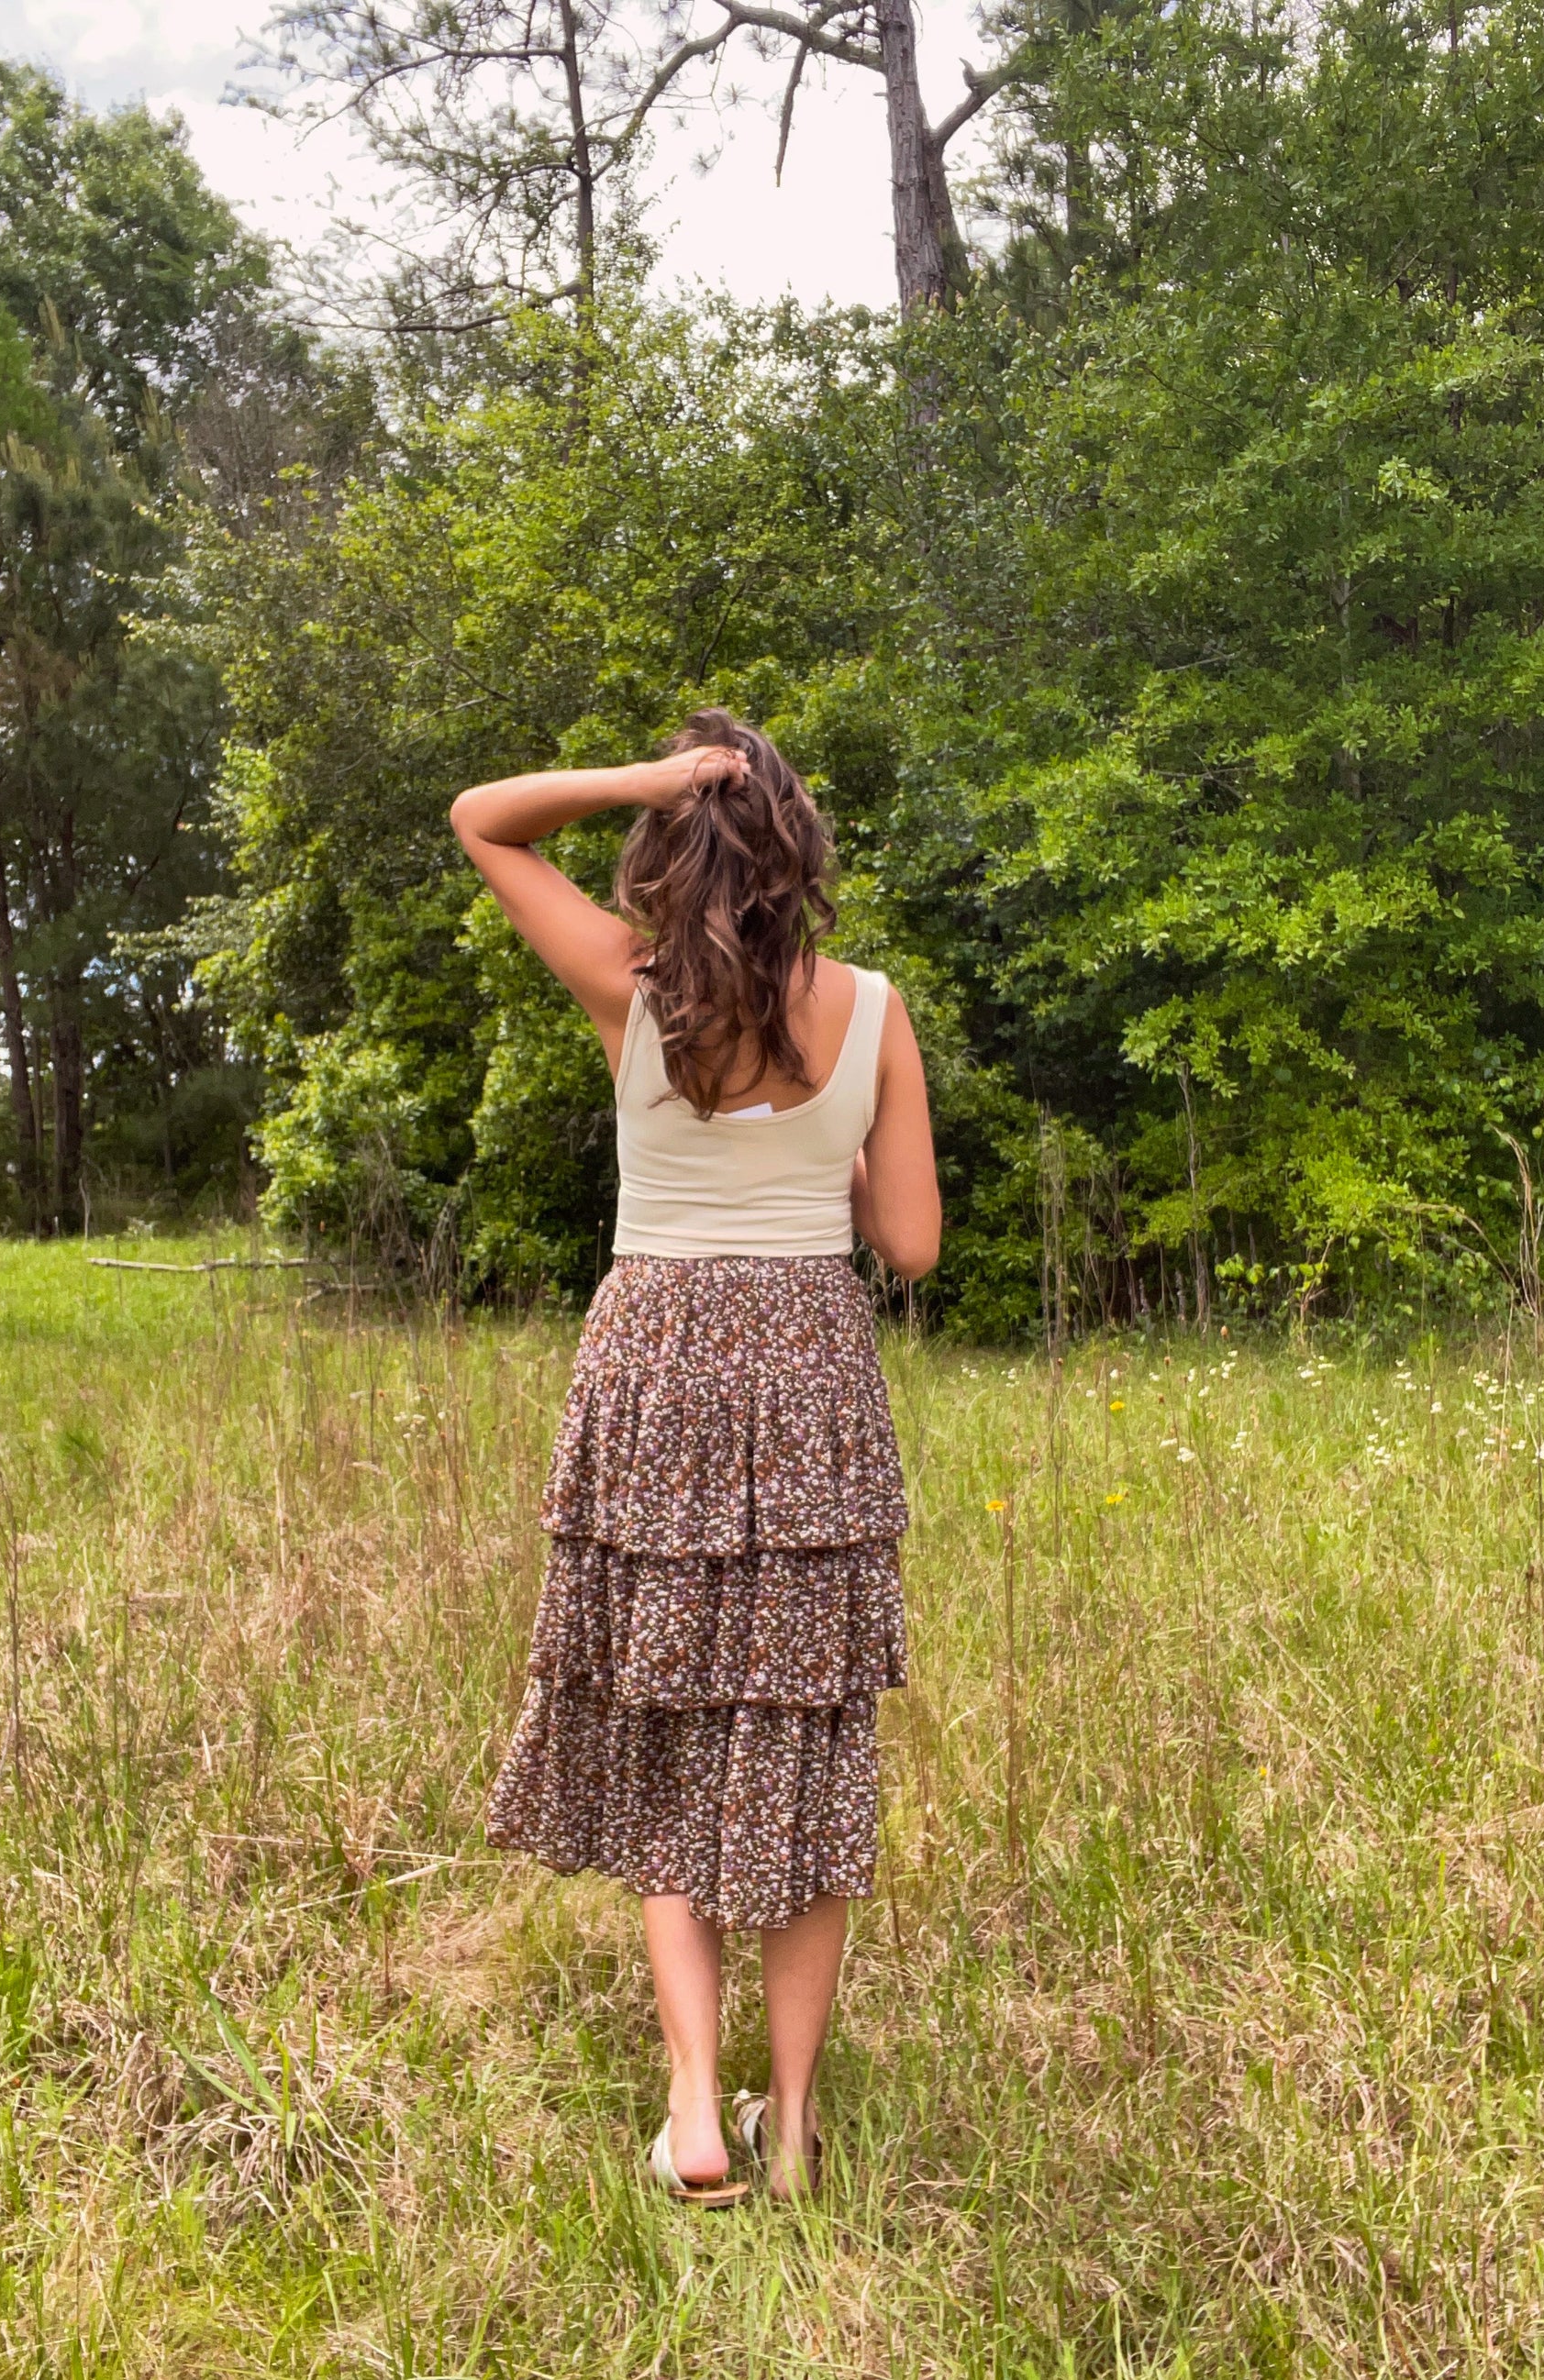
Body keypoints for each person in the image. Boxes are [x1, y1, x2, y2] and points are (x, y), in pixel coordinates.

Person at [450, 709, 939, 2204]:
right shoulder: (872, 1009)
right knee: (805, 1745)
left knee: (669, 1735)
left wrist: (648, 777)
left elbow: (483, 814)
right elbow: (909, 1247)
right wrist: (833, 1154)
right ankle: (791, 2132)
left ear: (670, 843)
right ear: (800, 853)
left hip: (655, 1361)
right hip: (806, 1372)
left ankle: (692, 2111)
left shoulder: (628, 983)